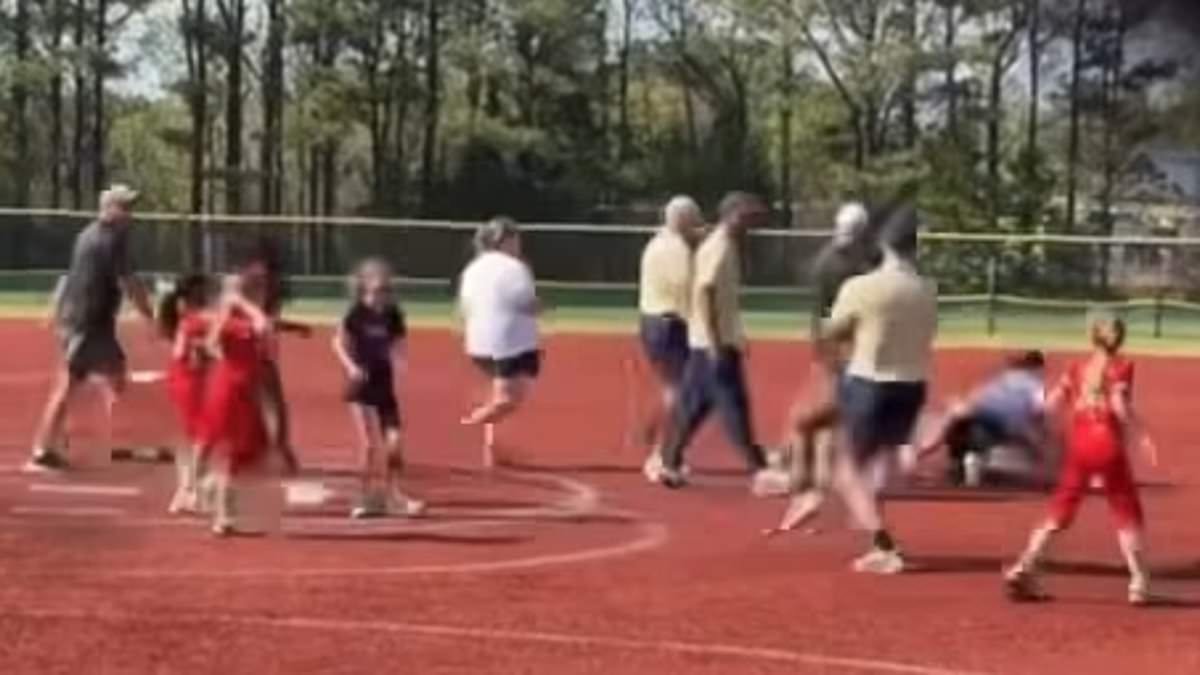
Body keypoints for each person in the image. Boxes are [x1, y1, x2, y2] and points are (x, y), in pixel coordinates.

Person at [807, 205, 937, 573]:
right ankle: (871, 525)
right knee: (878, 465)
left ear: (883, 246)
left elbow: (832, 333)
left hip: (869, 383)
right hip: (911, 386)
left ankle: (882, 543)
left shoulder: (860, 287)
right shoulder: (926, 289)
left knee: (847, 471)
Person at [1004, 314, 1158, 606]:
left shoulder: (1076, 368)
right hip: (1107, 443)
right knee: (1126, 511)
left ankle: (1025, 566)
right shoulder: (1122, 366)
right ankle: (1139, 581)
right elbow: (1119, 404)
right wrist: (1142, 434)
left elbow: (1050, 405)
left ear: (1092, 337)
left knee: (1060, 510)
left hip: (1080, 445)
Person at [655, 192, 790, 495]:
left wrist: (733, 335)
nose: (753, 223)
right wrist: (717, 341)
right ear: (732, 214)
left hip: (709, 341)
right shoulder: (720, 247)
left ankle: (668, 462)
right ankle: (760, 471)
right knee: (734, 408)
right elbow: (704, 292)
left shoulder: (723, 245)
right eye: (748, 216)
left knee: (693, 407)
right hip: (712, 344)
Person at [765, 203, 879, 532]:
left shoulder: (837, 261)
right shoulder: (856, 264)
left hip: (844, 347)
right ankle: (808, 485)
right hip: (847, 346)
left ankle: (806, 486)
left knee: (816, 419)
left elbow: (823, 315)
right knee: (821, 420)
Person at [27, 184, 154, 473]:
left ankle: (117, 438)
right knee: (71, 382)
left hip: (90, 321)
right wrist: (148, 314)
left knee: (114, 374)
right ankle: (42, 448)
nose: (130, 215)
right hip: (87, 323)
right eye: (125, 208)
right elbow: (130, 281)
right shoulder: (109, 240)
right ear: (109, 209)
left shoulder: (89, 235)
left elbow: (72, 278)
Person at [332, 258, 425, 519]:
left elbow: (399, 341)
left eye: (385, 290)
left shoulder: (393, 315)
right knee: (369, 446)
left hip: (384, 385)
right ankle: (362, 498)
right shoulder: (355, 314)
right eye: (375, 291)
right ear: (364, 289)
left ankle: (394, 496)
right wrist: (351, 366)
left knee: (394, 444)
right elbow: (337, 343)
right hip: (360, 386)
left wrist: (399, 358)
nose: (380, 297)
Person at [458, 217, 542, 467]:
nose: (519, 244)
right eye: (515, 239)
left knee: (500, 391)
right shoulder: (515, 268)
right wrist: (541, 307)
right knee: (511, 398)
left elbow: (465, 306)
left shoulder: (473, 268)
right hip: (510, 341)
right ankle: (471, 424)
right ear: (505, 241)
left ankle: (492, 449)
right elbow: (527, 303)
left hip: (478, 342)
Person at [199, 268, 274, 536]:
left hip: (243, 390)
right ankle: (224, 517)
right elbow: (262, 326)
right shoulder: (231, 320)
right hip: (230, 390)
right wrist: (238, 303)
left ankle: (209, 487)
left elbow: (266, 334)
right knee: (231, 454)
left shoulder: (238, 318)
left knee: (253, 449)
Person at [638, 196, 704, 483]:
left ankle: (656, 434)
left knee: (673, 389)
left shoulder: (656, 243)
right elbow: (689, 294)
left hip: (651, 321)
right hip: (670, 325)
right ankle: (660, 456)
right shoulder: (678, 251)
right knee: (681, 394)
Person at [919, 350, 1049, 487]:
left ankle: (928, 452)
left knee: (957, 422)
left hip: (977, 412)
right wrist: (1038, 439)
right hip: (1005, 422)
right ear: (1037, 368)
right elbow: (1038, 412)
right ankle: (973, 461)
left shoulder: (1004, 378)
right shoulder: (1037, 385)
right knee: (1023, 439)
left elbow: (977, 397)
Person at [158, 273, 216, 514]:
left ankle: (184, 491)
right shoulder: (197, 319)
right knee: (203, 437)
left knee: (189, 439)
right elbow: (185, 350)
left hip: (183, 380)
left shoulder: (186, 318)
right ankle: (192, 491)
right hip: (191, 383)